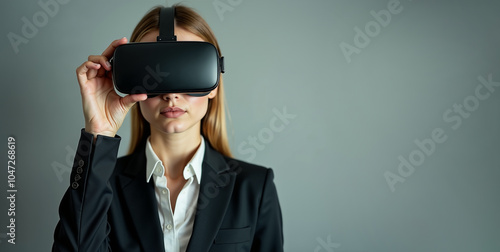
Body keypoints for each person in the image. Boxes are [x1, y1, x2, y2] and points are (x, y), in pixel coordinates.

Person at [52, 4, 283, 252]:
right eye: (154, 73)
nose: (171, 94)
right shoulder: (101, 184)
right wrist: (99, 132)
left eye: (188, 71)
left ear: (214, 82)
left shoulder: (255, 188)